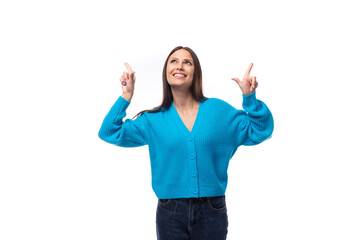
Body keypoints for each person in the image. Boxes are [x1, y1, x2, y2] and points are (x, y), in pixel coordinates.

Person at [98, 46, 274, 239]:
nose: (179, 66)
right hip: (169, 212)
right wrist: (126, 97)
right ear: (166, 72)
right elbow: (109, 132)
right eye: (174, 61)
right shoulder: (152, 120)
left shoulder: (218, 111)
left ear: (195, 73)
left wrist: (250, 98)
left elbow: (261, 130)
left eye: (187, 62)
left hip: (212, 210)